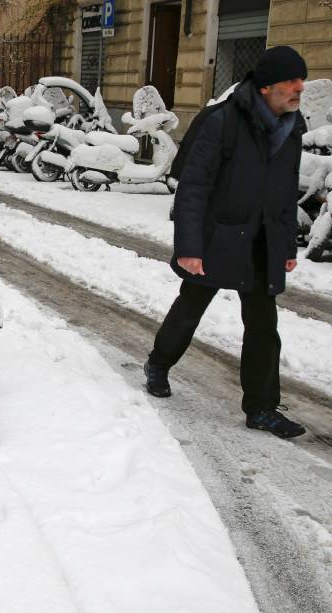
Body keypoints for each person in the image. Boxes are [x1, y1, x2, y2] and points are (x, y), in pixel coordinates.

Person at [143, 46, 308, 439]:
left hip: (263, 239)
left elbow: (285, 192)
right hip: (220, 236)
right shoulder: (223, 122)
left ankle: (262, 408)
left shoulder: (292, 126)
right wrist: (189, 247)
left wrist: (286, 246)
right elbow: (194, 187)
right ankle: (158, 364)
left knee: (264, 323)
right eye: (291, 80)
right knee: (191, 307)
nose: (299, 87)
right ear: (267, 87)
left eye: (301, 78)